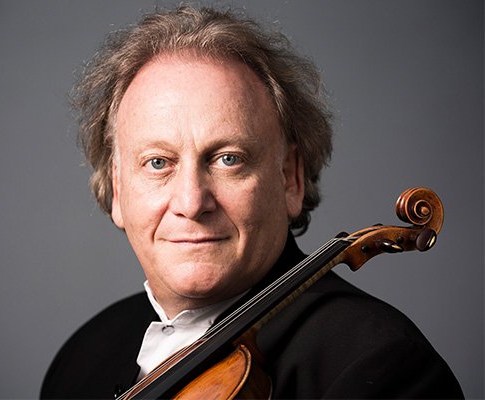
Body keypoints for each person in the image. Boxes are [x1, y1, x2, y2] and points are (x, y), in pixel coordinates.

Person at [41, 5, 463, 399]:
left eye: (228, 159)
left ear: (290, 179)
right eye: (157, 163)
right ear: (117, 189)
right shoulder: (84, 356)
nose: (191, 202)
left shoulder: (382, 365)